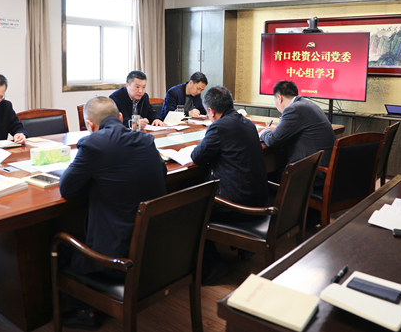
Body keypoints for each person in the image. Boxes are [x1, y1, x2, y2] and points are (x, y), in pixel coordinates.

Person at [59, 96, 167, 330]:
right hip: (155, 249)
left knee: (60, 242)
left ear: (89, 125)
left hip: (119, 258)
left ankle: (84, 311)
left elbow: (66, 188)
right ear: (120, 117)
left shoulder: (92, 144)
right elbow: (163, 170)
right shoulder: (146, 139)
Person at [191, 86, 268, 284]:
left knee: (191, 210)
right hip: (260, 198)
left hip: (238, 205)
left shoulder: (219, 127)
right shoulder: (247, 123)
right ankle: (243, 250)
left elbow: (197, 157)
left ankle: (214, 265)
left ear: (210, 111)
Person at [259, 80, 336, 188]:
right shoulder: (306, 104)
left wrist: (263, 132)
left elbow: (272, 140)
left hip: (312, 174)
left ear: (279, 98)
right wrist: (277, 129)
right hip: (323, 170)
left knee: (262, 176)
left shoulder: (293, 109)